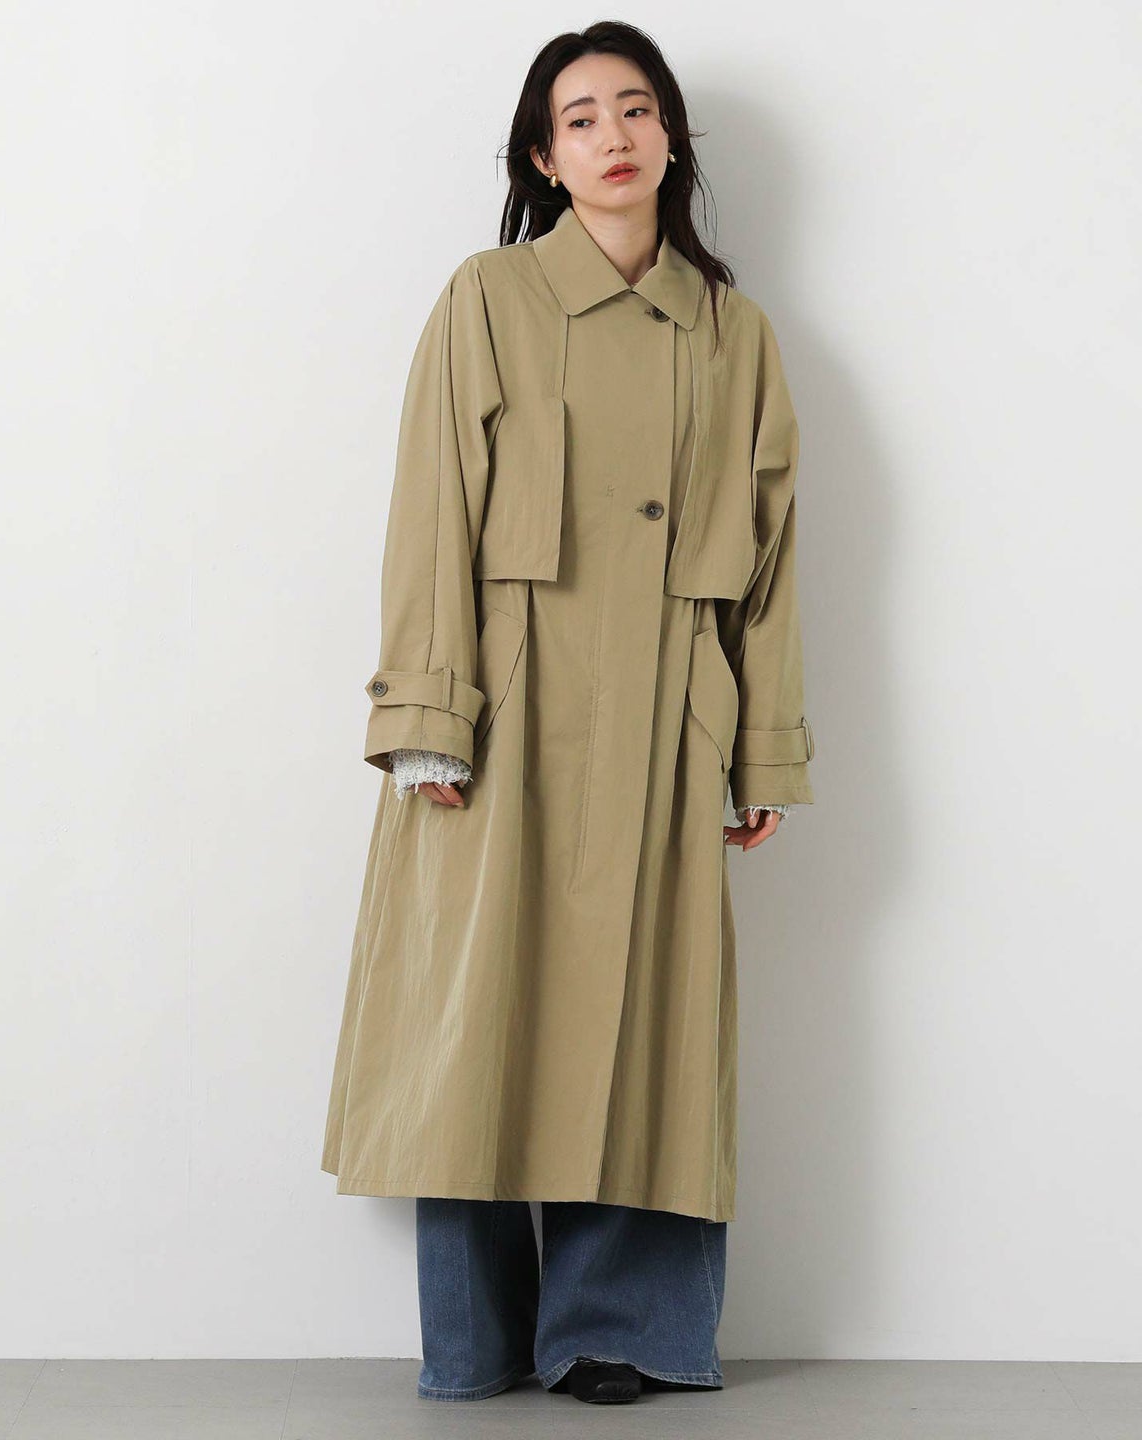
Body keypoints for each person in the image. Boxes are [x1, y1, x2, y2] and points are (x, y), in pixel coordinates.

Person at [321, 20, 816, 1405]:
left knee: (652, 1019)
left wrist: (761, 746)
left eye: (636, 109)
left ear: (672, 140)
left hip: (668, 711)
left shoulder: (734, 332)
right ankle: (477, 1336)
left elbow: (773, 561)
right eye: (581, 117)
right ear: (543, 157)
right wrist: (429, 711)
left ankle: (619, 1329)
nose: (613, 136)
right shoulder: (487, 298)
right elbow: (431, 506)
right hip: (509, 706)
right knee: (482, 1013)